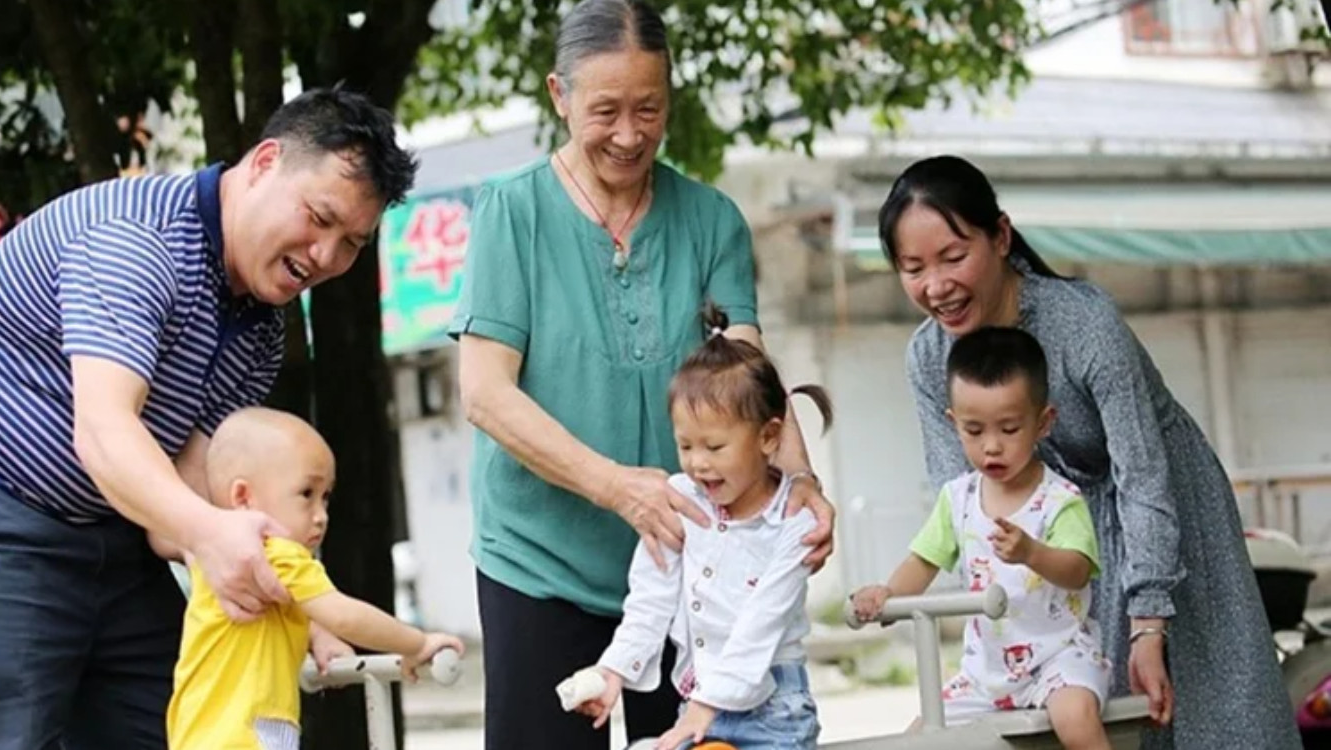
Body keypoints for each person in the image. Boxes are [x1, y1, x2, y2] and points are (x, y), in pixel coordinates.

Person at [0, 87, 417, 750]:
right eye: (318, 218)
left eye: (351, 242)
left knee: (182, 724)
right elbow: (106, 432)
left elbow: (200, 474)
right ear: (263, 164)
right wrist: (211, 538)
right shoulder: (135, 242)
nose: (325, 256)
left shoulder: (260, 327)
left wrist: (295, 598)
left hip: (114, 528)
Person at [449, 1, 836, 746]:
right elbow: (484, 394)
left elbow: (746, 376)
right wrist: (616, 486)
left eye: (648, 108)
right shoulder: (510, 213)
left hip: (691, 558)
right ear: (559, 96)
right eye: (605, 111)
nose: (629, 135)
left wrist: (802, 484)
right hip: (540, 561)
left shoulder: (711, 218)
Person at [880, 154, 1299, 748]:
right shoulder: (929, 360)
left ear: (1001, 237)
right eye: (913, 267)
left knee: (1209, 706)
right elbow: (965, 503)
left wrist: (1148, 621)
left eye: (953, 257)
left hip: (1160, 503)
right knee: (1088, 712)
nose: (936, 286)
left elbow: (1143, 472)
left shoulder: (1083, 323)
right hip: (1054, 531)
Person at [563, 304, 830, 750]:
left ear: (768, 437)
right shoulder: (680, 498)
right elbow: (650, 600)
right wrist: (613, 671)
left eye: (714, 446)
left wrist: (708, 708)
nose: (698, 462)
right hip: (698, 705)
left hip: (773, 714)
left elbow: (761, 624)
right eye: (685, 445)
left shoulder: (793, 520)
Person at [852, 327, 1111, 750]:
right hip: (985, 672)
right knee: (920, 738)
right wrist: (886, 595)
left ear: (1043, 422)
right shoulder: (958, 499)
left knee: (1076, 718)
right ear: (954, 424)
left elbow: (1078, 570)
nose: (991, 447)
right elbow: (923, 561)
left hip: (1059, 657)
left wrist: (1031, 552)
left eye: (1009, 429)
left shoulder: (1059, 499)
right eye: (974, 431)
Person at [166, 407, 463, 750]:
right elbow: (344, 615)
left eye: (326, 497)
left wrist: (314, 634)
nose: (321, 516)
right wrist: (417, 644)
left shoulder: (219, 560)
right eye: (306, 494)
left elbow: (266, 616)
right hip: (242, 736)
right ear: (243, 497)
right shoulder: (278, 551)